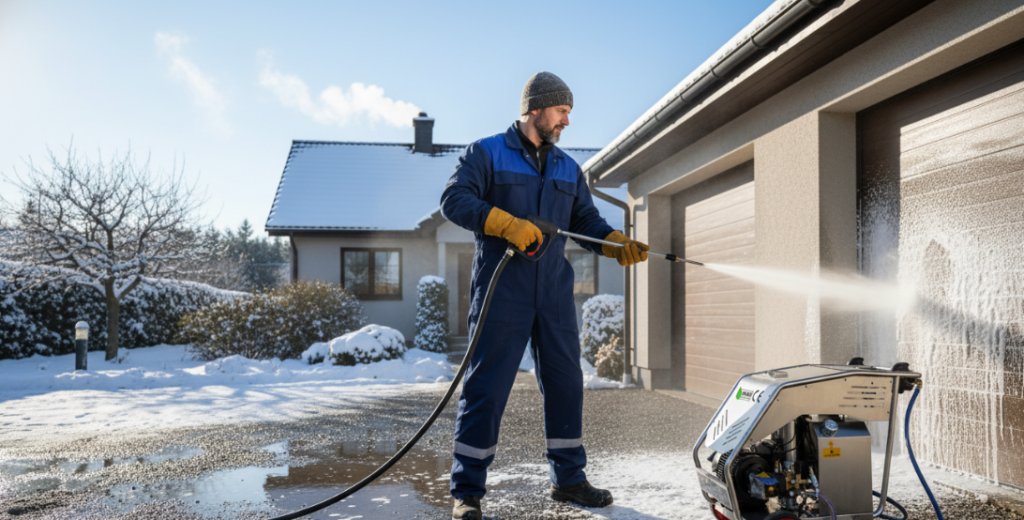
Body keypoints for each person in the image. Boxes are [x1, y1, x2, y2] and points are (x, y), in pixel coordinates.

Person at [439, 71, 650, 520]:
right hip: (502, 288)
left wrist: (615, 242)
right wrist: (505, 223)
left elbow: (587, 222)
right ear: (535, 109)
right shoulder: (487, 153)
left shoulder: (567, 168)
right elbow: (454, 200)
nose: (567, 121)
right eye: (561, 111)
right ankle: (467, 492)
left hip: (553, 290)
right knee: (487, 387)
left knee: (566, 384)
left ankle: (569, 479)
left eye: (568, 112)